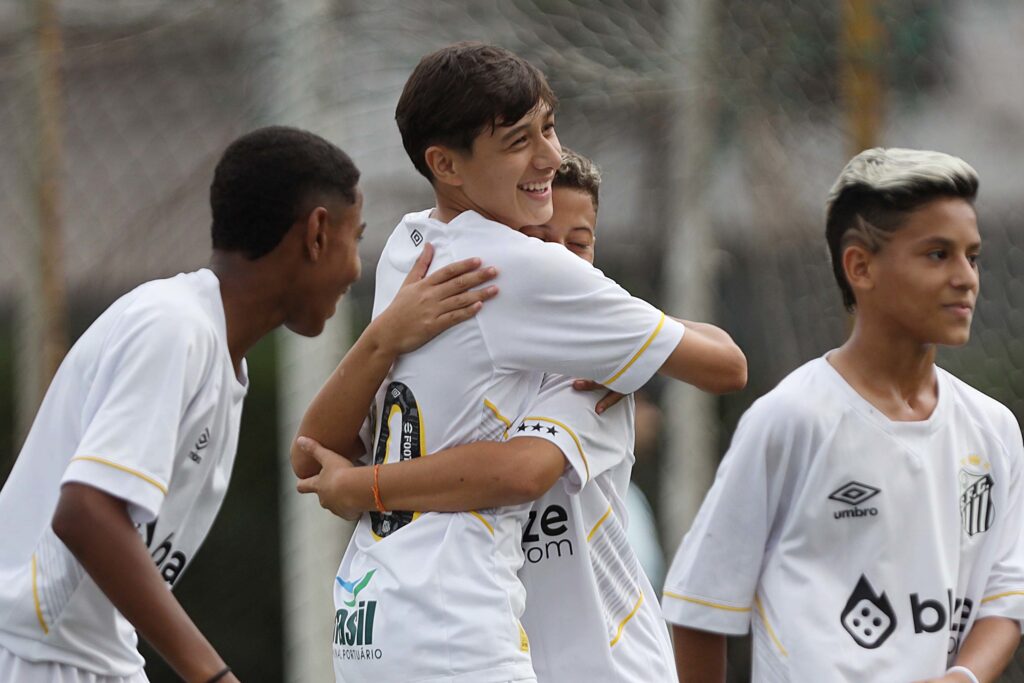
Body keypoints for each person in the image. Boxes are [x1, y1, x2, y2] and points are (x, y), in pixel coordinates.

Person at [291, 41, 746, 683]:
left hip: (372, 615)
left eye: (549, 128)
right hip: (457, 621)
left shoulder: (413, 246)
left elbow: (312, 456)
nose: (547, 156)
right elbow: (725, 367)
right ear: (444, 163)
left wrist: (361, 467)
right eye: (518, 141)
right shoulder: (519, 271)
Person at [0, 125, 492, 683]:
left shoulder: (218, 358)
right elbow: (85, 513)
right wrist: (213, 676)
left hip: (90, 657)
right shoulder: (173, 327)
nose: (357, 269)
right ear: (316, 233)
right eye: (357, 239)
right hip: (31, 656)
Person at [662, 147, 1024, 682]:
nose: (966, 277)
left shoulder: (993, 428)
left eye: (972, 256)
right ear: (860, 266)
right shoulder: (793, 417)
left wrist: (962, 677)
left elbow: (1004, 597)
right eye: (937, 254)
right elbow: (701, 607)